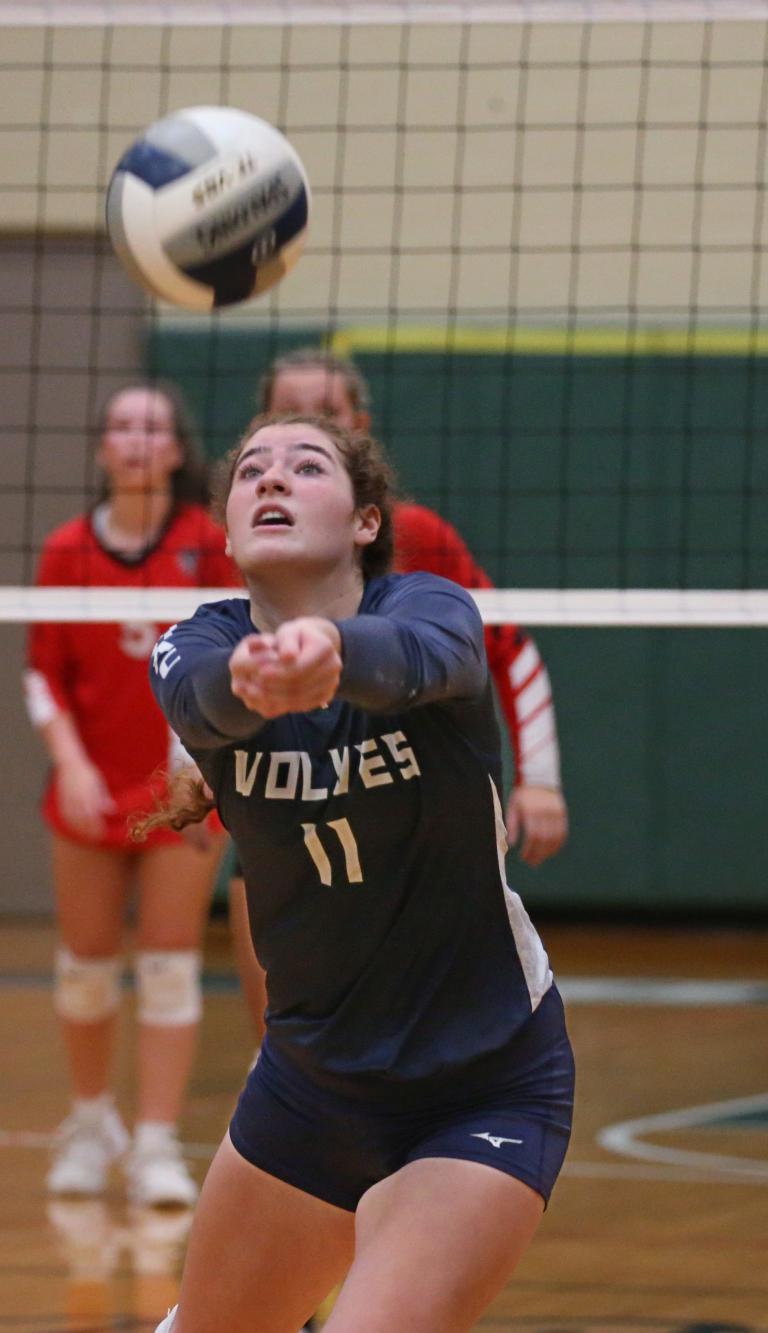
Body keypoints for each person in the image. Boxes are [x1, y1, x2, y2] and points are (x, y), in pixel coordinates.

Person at [143, 413, 575, 1333]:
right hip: (310, 1085)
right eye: (252, 470)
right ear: (223, 530)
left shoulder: (430, 608)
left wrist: (332, 656)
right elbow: (201, 698)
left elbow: (430, 657)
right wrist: (261, 679)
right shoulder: (193, 646)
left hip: (481, 1083)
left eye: (306, 467)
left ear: (366, 520)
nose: (272, 480)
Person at [231, 347, 570, 1040]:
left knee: (416, 1027)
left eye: (324, 414)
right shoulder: (243, 536)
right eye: (282, 413)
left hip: (405, 801)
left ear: (359, 424)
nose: (300, 429)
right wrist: (189, 770)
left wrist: (541, 780)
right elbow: (206, 660)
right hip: (280, 799)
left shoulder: (421, 538)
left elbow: (512, 649)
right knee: (286, 1031)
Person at [24, 380, 238, 1205]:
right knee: (84, 968)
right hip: (89, 789)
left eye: (153, 427)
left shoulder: (204, 543)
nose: (137, 439)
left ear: (177, 450)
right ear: (103, 447)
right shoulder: (65, 550)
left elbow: (220, 657)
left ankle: (153, 1144)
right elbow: (42, 674)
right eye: (122, 426)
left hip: (182, 787)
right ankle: (89, 1123)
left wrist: (195, 761)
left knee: (170, 968)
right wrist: (71, 764)